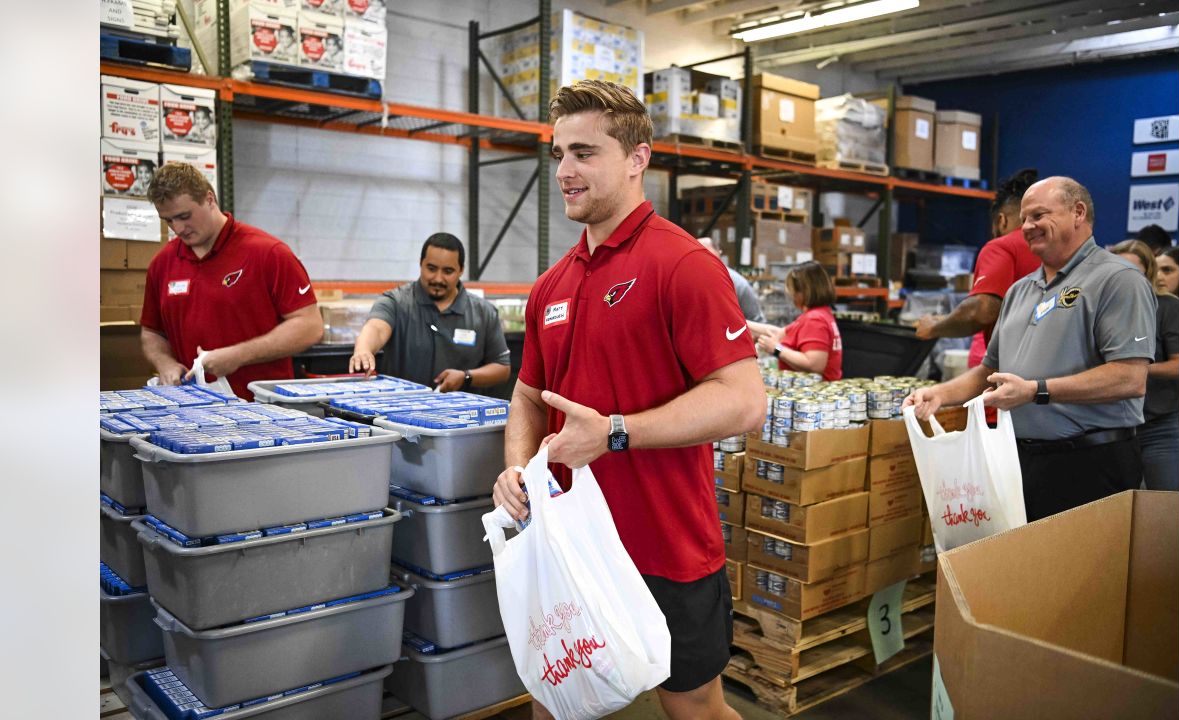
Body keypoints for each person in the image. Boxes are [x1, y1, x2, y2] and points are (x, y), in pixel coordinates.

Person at [491, 80, 765, 720]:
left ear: (638, 158)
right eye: (558, 154)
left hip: (665, 543)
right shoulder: (551, 286)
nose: (565, 171)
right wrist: (515, 466)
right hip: (568, 546)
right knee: (556, 701)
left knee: (693, 705)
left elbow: (745, 400)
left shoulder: (683, 266)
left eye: (584, 153)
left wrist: (615, 432)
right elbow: (528, 397)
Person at [903, 176, 1157, 521]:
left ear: (1078, 213)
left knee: (1083, 572)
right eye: (1023, 218)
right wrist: (940, 393)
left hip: (1091, 463)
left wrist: (1035, 391)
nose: (1027, 227)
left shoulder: (1118, 280)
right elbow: (988, 371)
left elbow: (1129, 378)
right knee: (1028, 570)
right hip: (1021, 459)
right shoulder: (1020, 291)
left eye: (1038, 215)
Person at [139, 162, 323, 399]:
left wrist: (239, 355)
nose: (178, 228)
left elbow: (309, 327)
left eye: (184, 216)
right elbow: (152, 332)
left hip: (264, 411)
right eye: (168, 221)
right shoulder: (162, 263)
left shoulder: (268, 253)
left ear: (209, 199)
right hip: (193, 410)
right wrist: (164, 363)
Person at [348, 233, 511, 392]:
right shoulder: (396, 302)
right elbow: (376, 328)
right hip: (401, 414)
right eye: (431, 269)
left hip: (462, 415)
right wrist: (364, 349)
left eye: (448, 271)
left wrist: (466, 377)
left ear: (461, 270)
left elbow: (502, 368)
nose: (438, 279)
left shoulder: (483, 313)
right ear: (421, 263)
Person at [915, 168, 1041, 370]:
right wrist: (948, 319)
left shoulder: (1001, 247)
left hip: (1012, 375)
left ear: (1001, 220)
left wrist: (934, 328)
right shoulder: (1055, 249)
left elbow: (982, 311)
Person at [1110, 240, 1179, 491]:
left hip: (1159, 426)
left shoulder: (1168, 307)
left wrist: (1131, 369)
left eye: (1132, 272)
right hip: (1114, 428)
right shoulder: (1103, 310)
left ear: (1147, 272)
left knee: (1166, 505)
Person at [752, 262, 843, 381]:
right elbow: (778, 333)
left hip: (815, 391)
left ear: (803, 292)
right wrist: (740, 323)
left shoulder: (815, 319)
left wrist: (776, 349)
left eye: (793, 291)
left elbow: (815, 364)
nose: (791, 295)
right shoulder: (820, 314)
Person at [696, 236, 765, 323]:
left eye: (709, 256)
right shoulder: (688, 282)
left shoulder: (738, 284)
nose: (705, 261)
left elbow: (757, 320)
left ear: (719, 253)